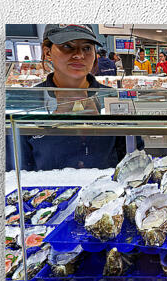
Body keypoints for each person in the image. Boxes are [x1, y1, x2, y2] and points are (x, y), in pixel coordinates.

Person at [16, 24, 143, 171]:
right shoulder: (26, 104)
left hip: (107, 189)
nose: (79, 55)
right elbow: (18, 169)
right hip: (52, 191)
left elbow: (133, 154)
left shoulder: (113, 98)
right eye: (67, 46)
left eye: (87, 48)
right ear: (47, 52)